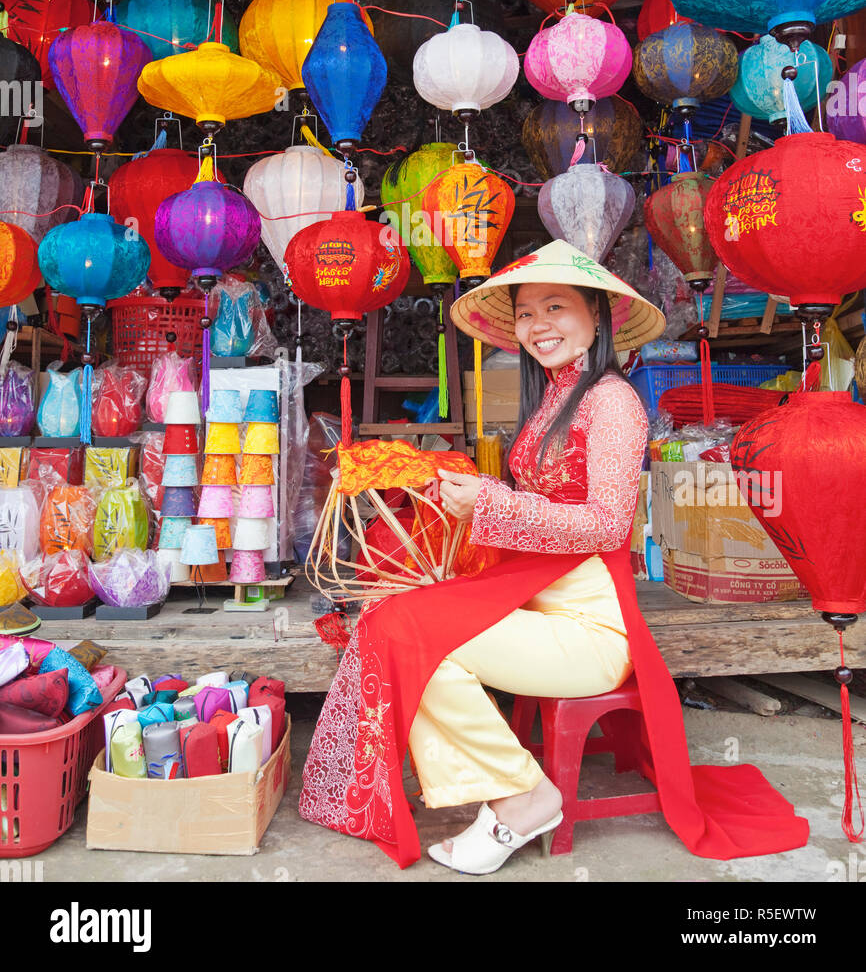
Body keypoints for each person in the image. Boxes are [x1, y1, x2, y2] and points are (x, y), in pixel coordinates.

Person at [299, 242, 809, 871]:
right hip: (541, 599)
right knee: (395, 618)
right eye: (524, 313)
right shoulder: (553, 399)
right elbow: (533, 503)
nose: (538, 325)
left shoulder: (613, 401)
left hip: (591, 623)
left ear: (597, 316)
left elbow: (606, 524)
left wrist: (492, 504)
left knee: (403, 630)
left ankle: (522, 797)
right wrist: (464, 494)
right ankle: (513, 784)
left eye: (556, 307)